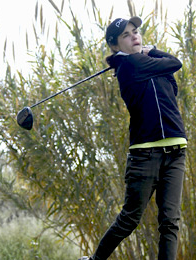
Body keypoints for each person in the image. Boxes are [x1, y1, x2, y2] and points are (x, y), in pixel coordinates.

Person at [80, 16, 187, 260]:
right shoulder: (128, 66)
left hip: (176, 150)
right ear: (115, 46)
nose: (135, 36)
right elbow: (175, 62)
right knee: (130, 218)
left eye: (135, 31)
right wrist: (155, 52)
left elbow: (172, 87)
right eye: (126, 35)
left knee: (170, 222)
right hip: (145, 154)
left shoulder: (146, 63)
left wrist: (152, 57)